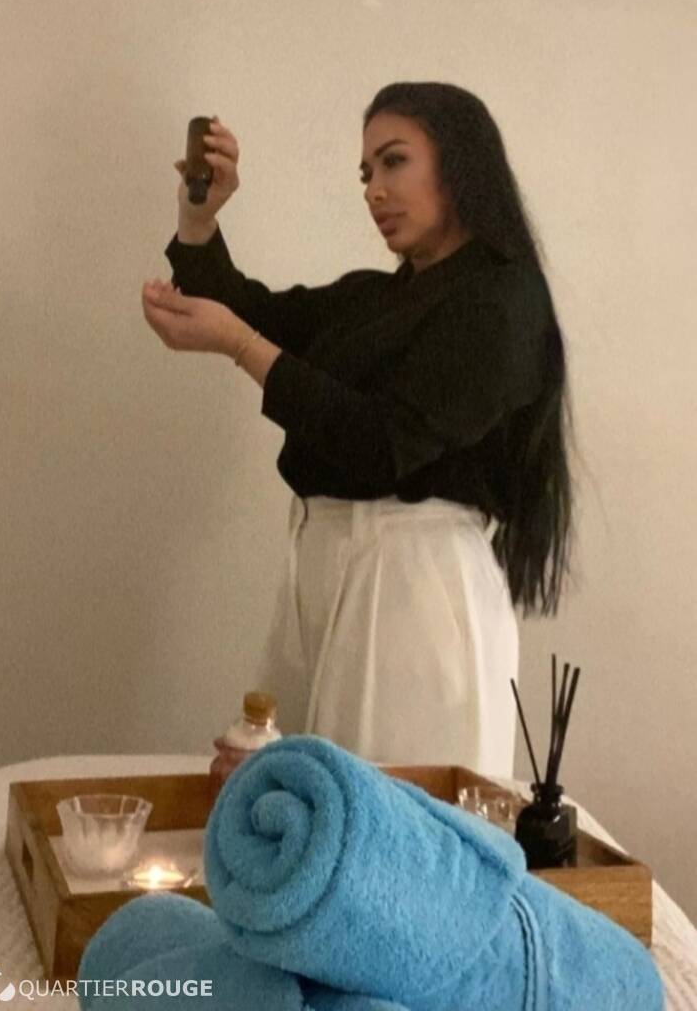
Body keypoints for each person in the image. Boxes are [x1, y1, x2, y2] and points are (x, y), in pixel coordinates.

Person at [142, 81, 575, 775]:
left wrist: (240, 347)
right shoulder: (379, 299)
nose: (374, 190)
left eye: (394, 161)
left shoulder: (502, 298)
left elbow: (382, 443)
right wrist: (199, 218)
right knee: (297, 796)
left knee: (387, 812)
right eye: (366, 172)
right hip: (329, 568)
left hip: (413, 587)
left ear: (461, 163)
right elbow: (249, 312)